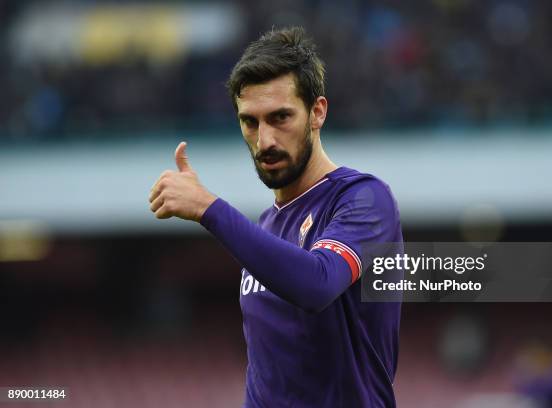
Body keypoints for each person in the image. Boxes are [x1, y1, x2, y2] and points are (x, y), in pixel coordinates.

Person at [149, 26, 403, 407]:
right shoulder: (267, 226)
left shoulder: (364, 199)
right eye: (250, 122)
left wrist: (209, 208)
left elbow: (318, 284)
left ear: (317, 112)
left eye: (280, 117)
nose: (264, 140)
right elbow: (267, 374)